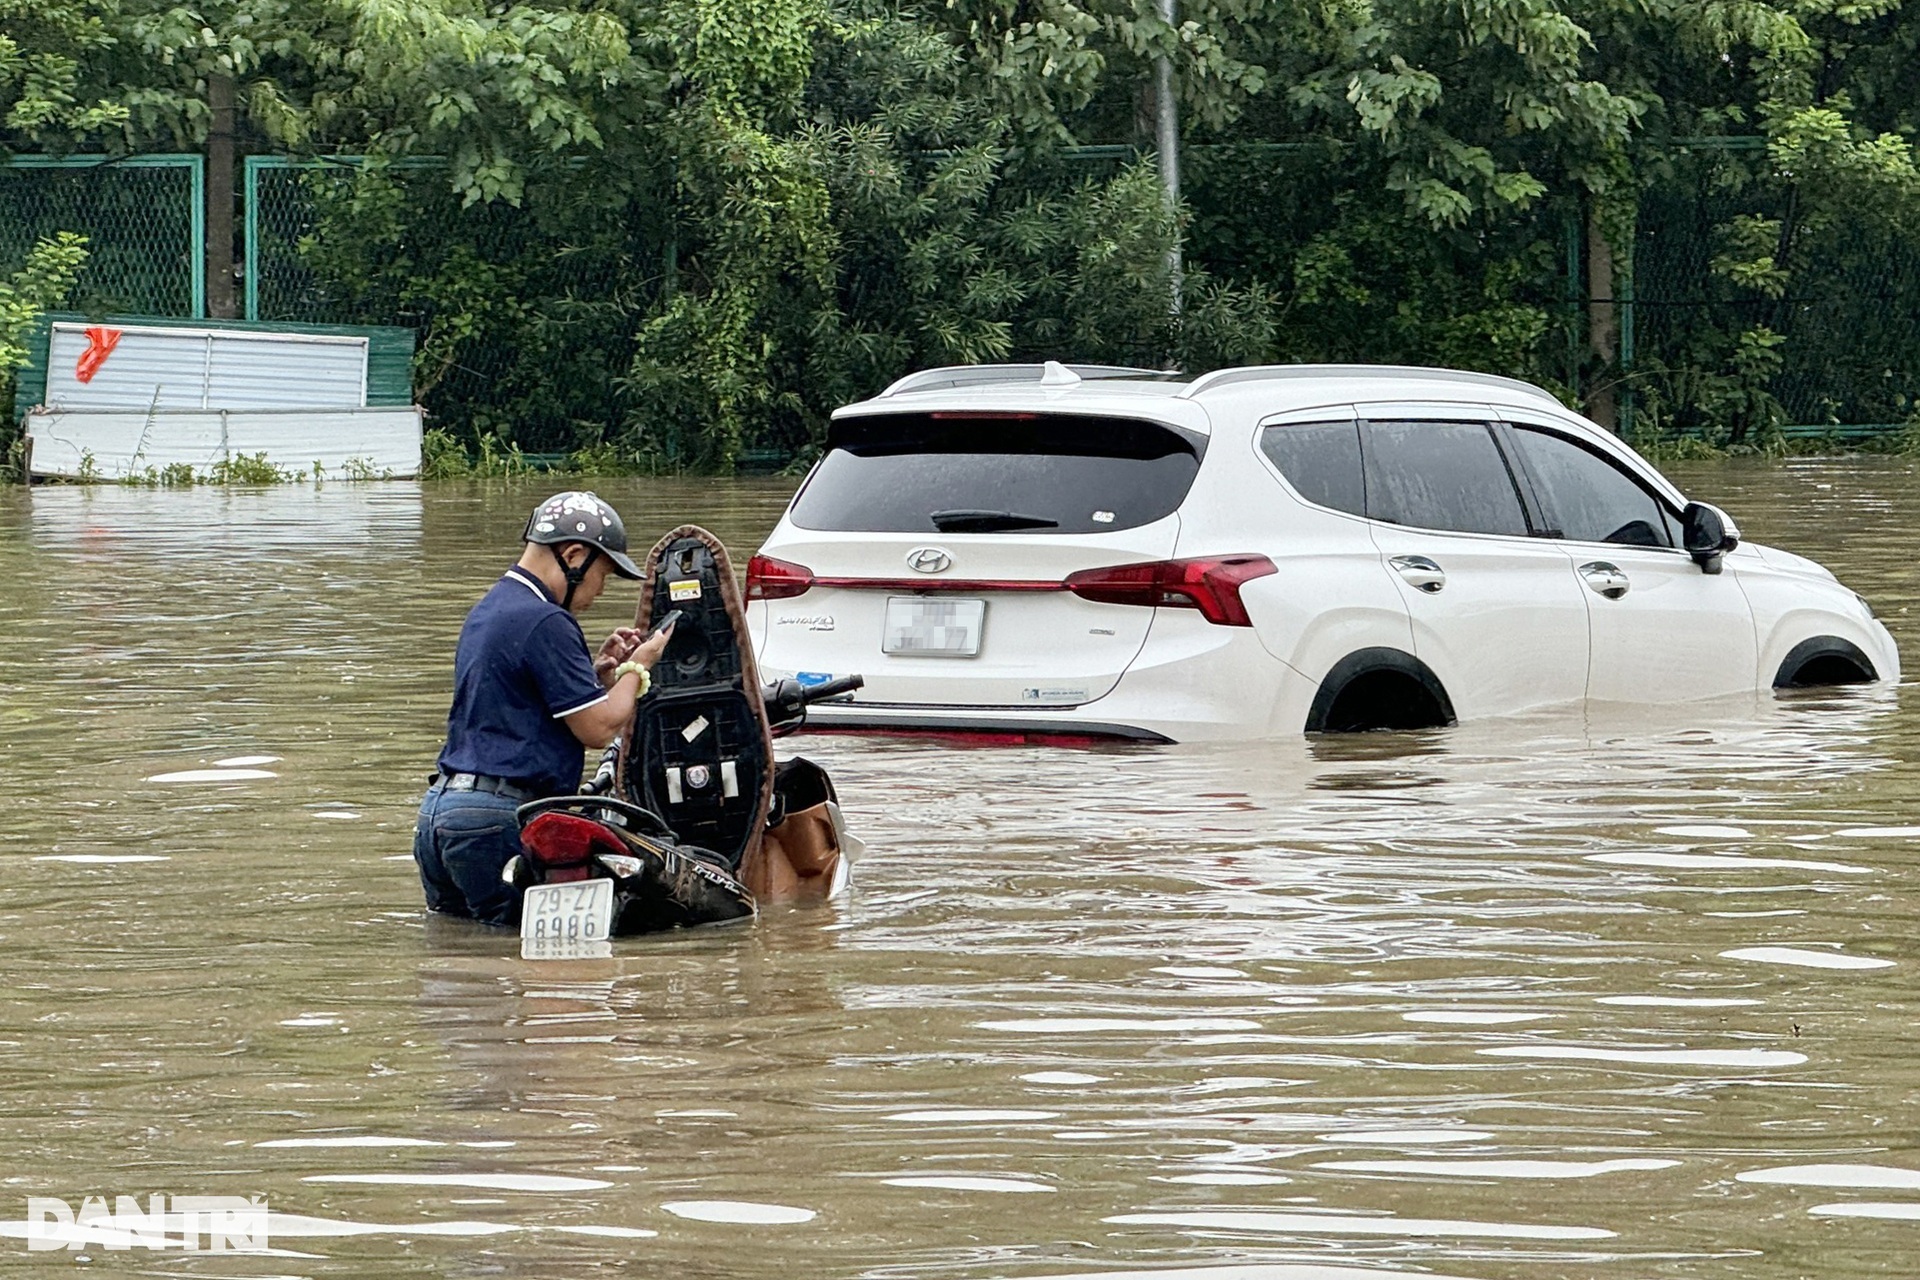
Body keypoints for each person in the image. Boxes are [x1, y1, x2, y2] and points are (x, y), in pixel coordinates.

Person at [413, 491, 674, 926]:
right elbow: (598, 729)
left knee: (457, 967)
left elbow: (515, 707)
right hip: (496, 821)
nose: (599, 591)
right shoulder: (548, 620)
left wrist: (598, 678)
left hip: (439, 815)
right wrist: (637, 668)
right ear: (574, 555)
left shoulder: (491, 608)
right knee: (517, 970)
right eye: (603, 575)